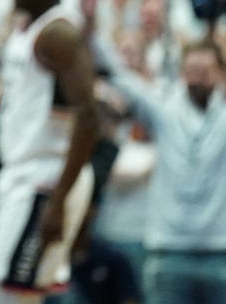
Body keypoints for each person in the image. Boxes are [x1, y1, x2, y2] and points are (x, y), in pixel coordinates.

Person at [0, 0, 101, 303]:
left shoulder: (58, 34)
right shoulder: (25, 30)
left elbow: (89, 117)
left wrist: (59, 200)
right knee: (18, 297)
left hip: (45, 179)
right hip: (24, 175)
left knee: (6, 298)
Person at [96, 36, 226, 303]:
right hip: (167, 253)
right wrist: (90, 28)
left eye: (205, 72)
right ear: (181, 74)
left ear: (221, 74)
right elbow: (121, 77)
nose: (198, 80)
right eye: (191, 72)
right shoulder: (164, 112)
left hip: (219, 252)